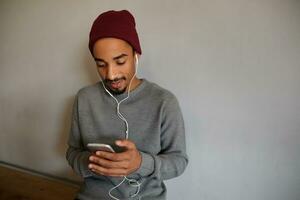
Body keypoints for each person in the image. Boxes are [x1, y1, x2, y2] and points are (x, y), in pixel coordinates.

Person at [66, 10, 188, 200]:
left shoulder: (164, 102)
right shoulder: (85, 98)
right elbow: (72, 152)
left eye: (120, 61)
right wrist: (93, 162)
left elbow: (179, 162)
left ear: (136, 55)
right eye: (101, 64)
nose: (111, 75)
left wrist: (141, 163)